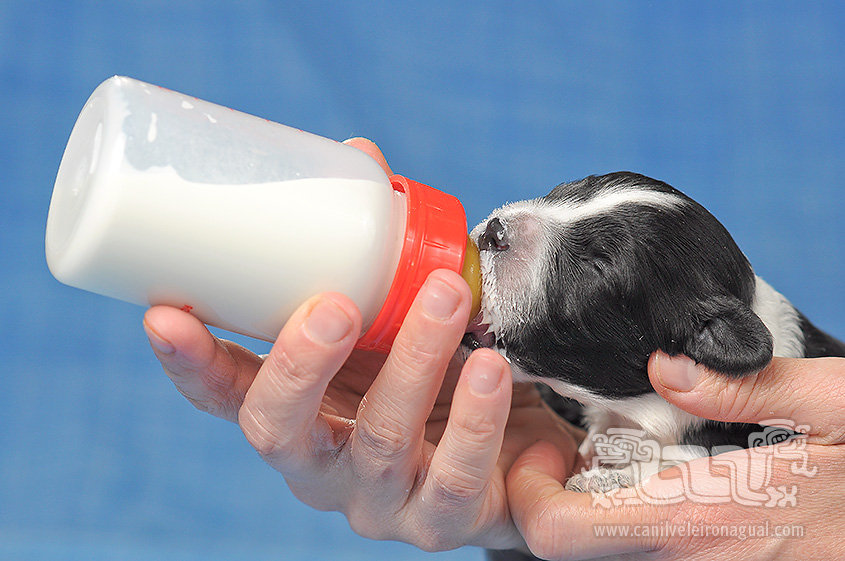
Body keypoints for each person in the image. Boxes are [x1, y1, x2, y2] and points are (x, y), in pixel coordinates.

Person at [143, 139, 845, 560]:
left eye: (594, 264)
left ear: (713, 347)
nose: (512, 223)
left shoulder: (801, 458)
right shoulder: (592, 419)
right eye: (564, 197)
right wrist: (513, 521)